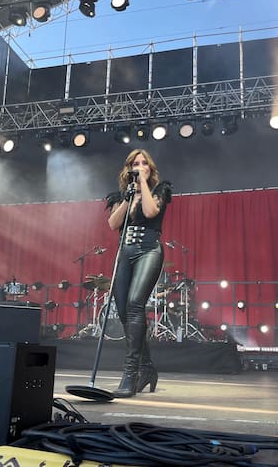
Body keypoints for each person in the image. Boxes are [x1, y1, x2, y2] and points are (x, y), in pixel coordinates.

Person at [106, 149, 172, 397]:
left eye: (144, 163)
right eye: (136, 163)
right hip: (125, 252)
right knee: (124, 311)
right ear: (129, 168)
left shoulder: (159, 190)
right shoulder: (121, 195)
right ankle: (147, 369)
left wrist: (143, 184)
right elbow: (113, 224)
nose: (140, 166)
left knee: (135, 304)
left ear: (150, 169)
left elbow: (151, 212)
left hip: (149, 250)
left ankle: (130, 373)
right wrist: (128, 196)